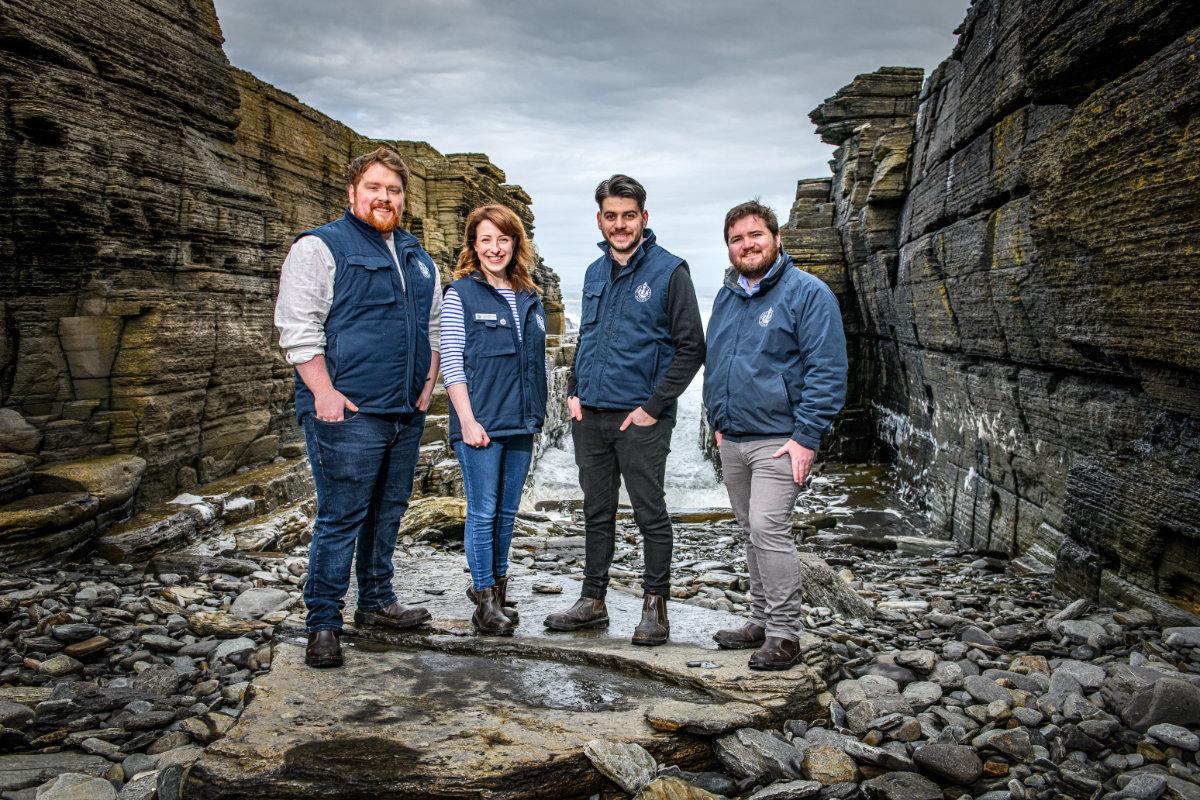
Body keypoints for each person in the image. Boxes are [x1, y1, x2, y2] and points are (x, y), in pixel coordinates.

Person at [274, 147, 442, 668]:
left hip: (404, 412)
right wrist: (323, 393)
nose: (384, 197)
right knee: (341, 516)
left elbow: (433, 328)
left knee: (388, 511)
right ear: (352, 193)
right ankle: (323, 622)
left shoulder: (418, 257)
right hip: (346, 412)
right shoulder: (320, 248)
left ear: (403, 198)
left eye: (393, 190)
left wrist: (427, 386)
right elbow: (297, 326)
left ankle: (376, 602)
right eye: (374, 188)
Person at [543, 174, 705, 646]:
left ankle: (655, 605)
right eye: (611, 216)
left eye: (628, 216)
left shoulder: (670, 271)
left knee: (650, 512)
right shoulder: (594, 273)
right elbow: (586, 339)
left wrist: (653, 407)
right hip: (589, 417)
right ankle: (592, 601)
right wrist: (573, 389)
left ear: (644, 218)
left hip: (640, 420)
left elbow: (691, 347)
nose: (620, 224)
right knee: (596, 511)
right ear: (600, 219)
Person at [703, 200, 847, 670]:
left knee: (769, 528)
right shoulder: (727, 296)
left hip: (781, 439)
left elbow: (828, 370)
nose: (747, 245)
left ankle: (785, 635)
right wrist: (718, 422)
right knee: (750, 531)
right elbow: (718, 361)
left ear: (775, 238)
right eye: (737, 239)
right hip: (735, 437)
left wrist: (807, 437)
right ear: (729, 247)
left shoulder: (808, 293)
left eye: (755, 235)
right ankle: (761, 620)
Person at [441, 204, 547, 636]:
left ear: (515, 243)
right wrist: (466, 420)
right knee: (482, 512)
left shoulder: (529, 296)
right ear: (473, 245)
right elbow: (451, 361)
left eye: (502, 239)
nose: (494, 248)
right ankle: (483, 599)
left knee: (505, 512)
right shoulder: (460, 294)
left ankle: (498, 594)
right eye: (485, 239)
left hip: (520, 422)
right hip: (480, 424)